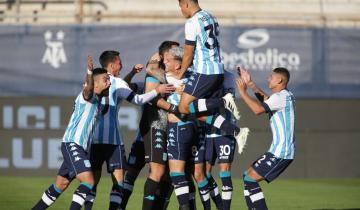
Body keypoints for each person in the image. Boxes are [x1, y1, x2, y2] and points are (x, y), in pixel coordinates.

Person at [83, 50, 175, 210]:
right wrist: (157, 91)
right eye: (119, 63)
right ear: (111, 65)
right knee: (119, 182)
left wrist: (132, 73)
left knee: (92, 181)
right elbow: (137, 99)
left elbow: (122, 87)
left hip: (95, 139)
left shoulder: (92, 83)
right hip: (114, 142)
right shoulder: (116, 82)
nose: (122, 65)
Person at [32, 56, 111, 210]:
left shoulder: (98, 102)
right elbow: (88, 89)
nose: (108, 82)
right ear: (94, 83)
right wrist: (89, 71)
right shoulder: (87, 96)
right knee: (88, 181)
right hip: (73, 144)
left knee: (61, 184)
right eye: (105, 79)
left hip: (79, 148)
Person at [176, 0, 249, 153]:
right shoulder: (211, 17)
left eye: (181, 6)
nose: (181, 10)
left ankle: (223, 101)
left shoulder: (192, 22)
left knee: (183, 107)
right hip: (217, 70)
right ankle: (236, 131)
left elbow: (189, 52)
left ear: (187, 4)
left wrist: (181, 73)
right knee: (198, 112)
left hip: (204, 71)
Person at [236, 67, 296, 210]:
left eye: (271, 76)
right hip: (278, 150)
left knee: (251, 179)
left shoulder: (281, 97)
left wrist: (243, 92)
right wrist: (250, 84)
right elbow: (268, 100)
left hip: (282, 151)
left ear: (280, 80)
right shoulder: (285, 95)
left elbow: (258, 110)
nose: (268, 78)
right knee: (247, 176)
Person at [205, 70, 238, 210]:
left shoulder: (229, 77)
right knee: (203, 174)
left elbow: (226, 101)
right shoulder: (202, 76)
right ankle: (220, 205)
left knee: (224, 171)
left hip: (224, 130)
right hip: (206, 131)